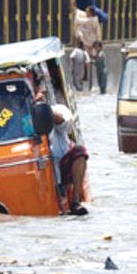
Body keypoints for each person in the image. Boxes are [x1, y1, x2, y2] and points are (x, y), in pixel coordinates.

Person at [34, 82, 88, 216]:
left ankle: (75, 201)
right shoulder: (15, 114)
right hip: (36, 163)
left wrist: (44, 110)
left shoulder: (58, 109)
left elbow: (66, 125)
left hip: (61, 163)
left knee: (80, 152)